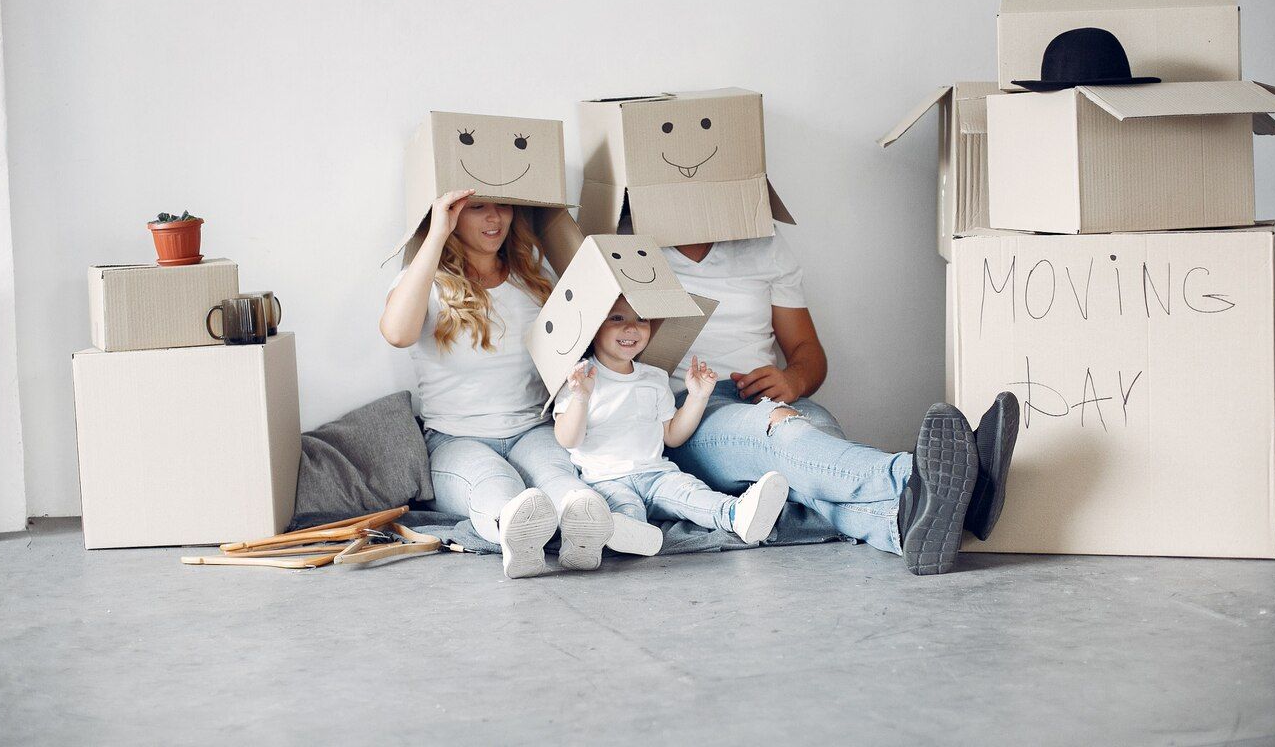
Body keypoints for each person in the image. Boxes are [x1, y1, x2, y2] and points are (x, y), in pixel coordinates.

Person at [659, 232, 1020, 576]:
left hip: (765, 393)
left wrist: (792, 379)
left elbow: (808, 355)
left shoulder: (761, 239)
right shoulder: (629, 246)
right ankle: (927, 478)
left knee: (818, 456)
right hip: (688, 410)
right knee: (782, 432)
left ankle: (903, 521)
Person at [380, 189, 615, 579]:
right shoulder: (424, 281)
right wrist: (436, 234)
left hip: (532, 428)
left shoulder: (534, 276)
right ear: (453, 216)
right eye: (477, 208)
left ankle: (584, 532)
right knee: (495, 483)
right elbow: (397, 333)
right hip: (455, 438)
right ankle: (517, 532)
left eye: (502, 205)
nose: (495, 219)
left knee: (560, 480)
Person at [552, 296, 790, 555]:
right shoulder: (579, 379)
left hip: (657, 474)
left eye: (641, 319)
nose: (632, 328)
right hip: (606, 480)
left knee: (690, 492)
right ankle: (634, 535)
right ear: (595, 326)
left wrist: (698, 397)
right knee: (625, 509)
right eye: (617, 318)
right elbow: (568, 439)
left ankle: (736, 514)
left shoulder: (653, 377)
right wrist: (580, 397)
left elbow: (672, 435)